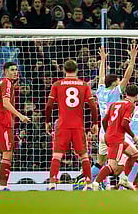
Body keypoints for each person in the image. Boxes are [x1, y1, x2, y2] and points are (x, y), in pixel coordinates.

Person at [45, 59, 99, 191]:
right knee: (84, 156)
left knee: (57, 155)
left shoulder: (57, 84)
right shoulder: (84, 84)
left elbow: (49, 106)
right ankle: (88, 184)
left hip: (63, 125)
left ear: (64, 70)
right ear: (77, 70)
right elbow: (92, 105)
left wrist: (47, 121)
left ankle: (52, 183)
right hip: (78, 126)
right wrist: (95, 123)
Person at [90, 45, 138, 182]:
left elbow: (101, 77)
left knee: (100, 162)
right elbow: (127, 76)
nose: (120, 82)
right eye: (117, 81)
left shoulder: (100, 91)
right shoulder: (115, 92)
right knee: (132, 156)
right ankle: (121, 179)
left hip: (103, 132)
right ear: (114, 83)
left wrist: (103, 60)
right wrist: (133, 58)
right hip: (115, 131)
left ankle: (88, 182)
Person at [93, 84, 138, 191]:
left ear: (125, 94)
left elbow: (104, 121)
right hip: (117, 138)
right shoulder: (130, 105)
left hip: (110, 136)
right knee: (112, 166)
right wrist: (133, 136)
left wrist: (107, 132)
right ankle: (96, 183)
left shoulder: (115, 103)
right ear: (137, 96)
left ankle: (124, 178)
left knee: (134, 154)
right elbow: (124, 124)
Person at [0, 62, 31, 191]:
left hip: (4, 121)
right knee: (7, 153)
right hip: (3, 121)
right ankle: (3, 186)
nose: (16, 72)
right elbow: (5, 103)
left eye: (17, 70)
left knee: (8, 153)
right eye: (12, 70)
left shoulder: (7, 83)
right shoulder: (7, 82)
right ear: (5, 71)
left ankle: (3, 186)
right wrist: (20, 116)